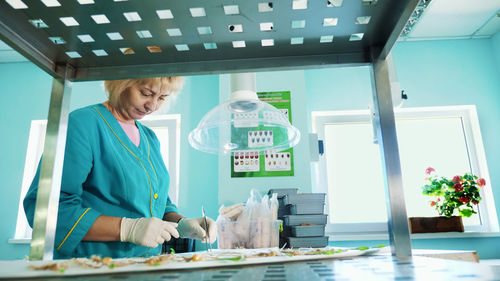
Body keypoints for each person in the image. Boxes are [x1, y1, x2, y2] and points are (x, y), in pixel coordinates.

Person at [24, 76, 217, 259]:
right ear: (121, 83)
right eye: (146, 93)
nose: (152, 106)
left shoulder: (150, 138)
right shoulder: (83, 124)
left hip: (142, 267)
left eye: (162, 98)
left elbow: (157, 202)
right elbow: (47, 211)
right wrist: (127, 228)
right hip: (92, 268)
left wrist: (181, 224)